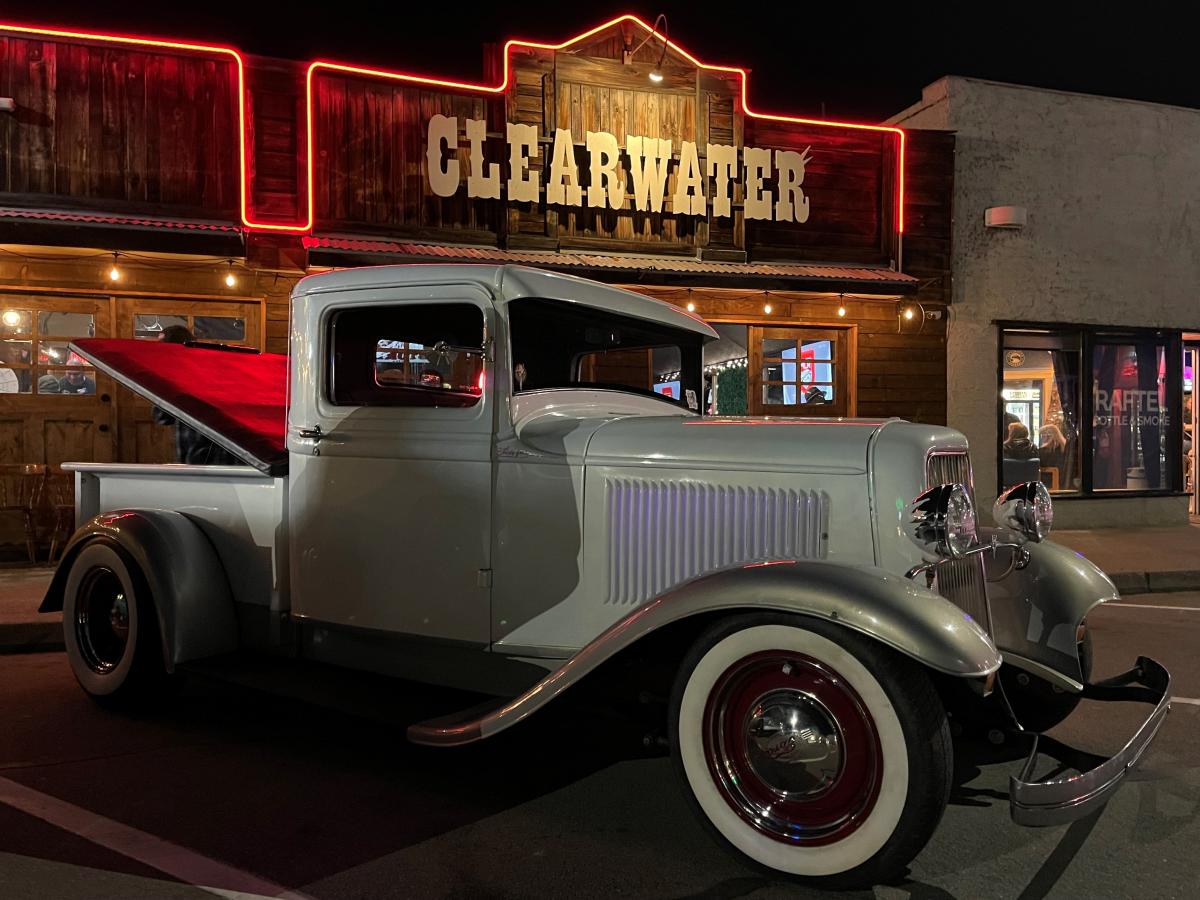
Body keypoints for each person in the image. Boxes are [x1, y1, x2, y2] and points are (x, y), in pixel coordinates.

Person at [153, 325, 242, 465]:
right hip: (227, 446)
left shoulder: (175, 372)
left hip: (196, 446)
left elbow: (162, 417)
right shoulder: (212, 365)